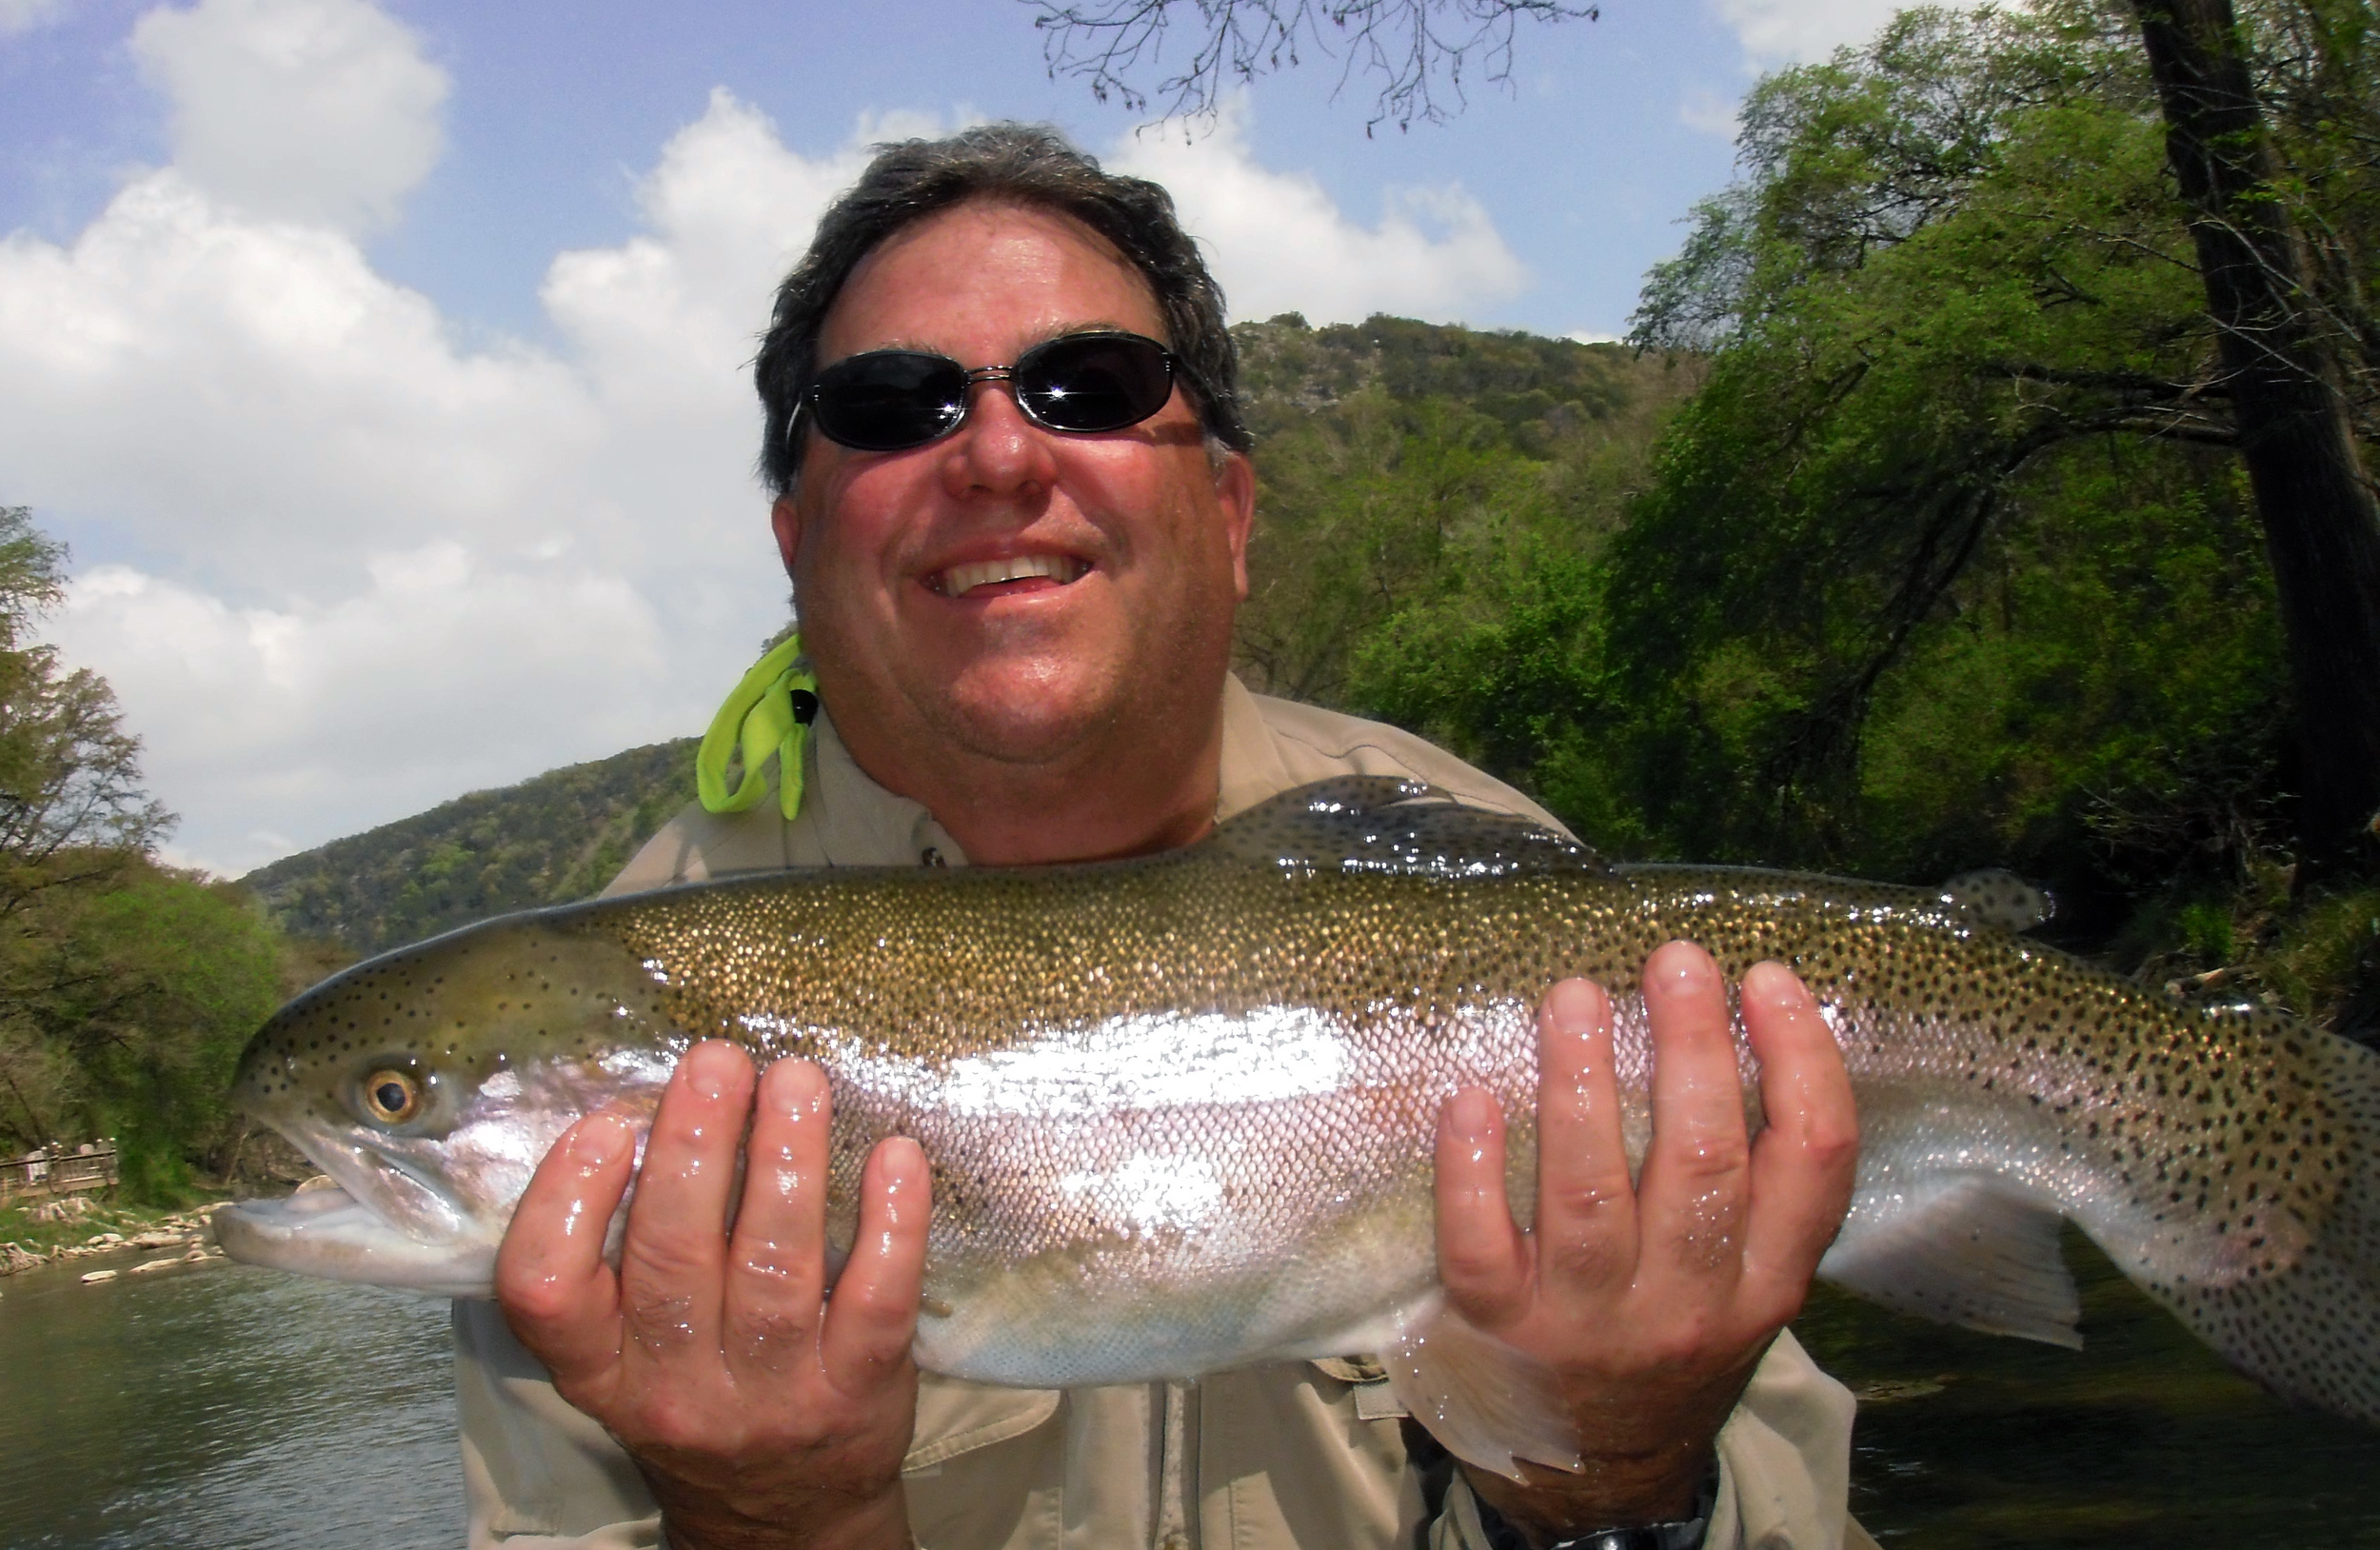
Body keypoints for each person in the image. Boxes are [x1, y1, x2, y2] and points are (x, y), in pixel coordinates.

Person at [457, 124, 1869, 1550]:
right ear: (797, 543)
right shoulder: (616, 1012)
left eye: (1092, 387)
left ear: (1232, 513)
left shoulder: (1500, 890)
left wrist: (1612, 1487)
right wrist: (776, 1527)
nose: (999, 453)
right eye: (895, 406)